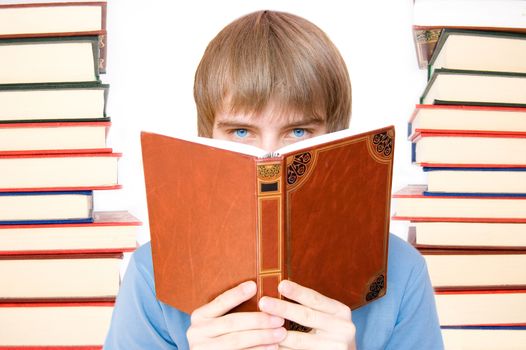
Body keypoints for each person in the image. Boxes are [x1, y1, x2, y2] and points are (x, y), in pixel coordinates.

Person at [104, 10, 443, 350]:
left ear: (337, 138)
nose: (269, 156)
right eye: (241, 131)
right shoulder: (153, 275)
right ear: (206, 136)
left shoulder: (402, 272)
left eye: (297, 131)